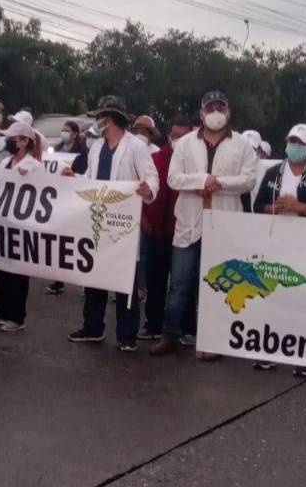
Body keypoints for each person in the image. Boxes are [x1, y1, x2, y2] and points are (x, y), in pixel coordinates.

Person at [151, 91, 257, 358]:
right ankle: (171, 335)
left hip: (223, 225)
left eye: (221, 107)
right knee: (179, 284)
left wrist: (218, 183)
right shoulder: (185, 143)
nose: (216, 111)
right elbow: (174, 179)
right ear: (201, 113)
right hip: (189, 223)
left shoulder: (242, 144)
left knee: (219, 286)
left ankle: (214, 341)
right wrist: (202, 180)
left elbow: (249, 180)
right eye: (210, 107)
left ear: (229, 112)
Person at [66, 95, 159, 352]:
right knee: (95, 275)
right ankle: (93, 327)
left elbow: (152, 178)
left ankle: (127, 334)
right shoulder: (96, 148)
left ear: (109, 119)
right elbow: (91, 178)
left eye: (100, 118)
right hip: (99, 219)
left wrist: (145, 189)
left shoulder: (135, 147)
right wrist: (73, 178)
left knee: (124, 280)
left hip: (124, 223)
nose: (97, 123)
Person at [252, 124, 306, 376]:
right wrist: (273, 209)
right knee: (274, 297)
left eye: (300, 143)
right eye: (291, 141)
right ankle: (268, 351)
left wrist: (301, 207)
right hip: (276, 243)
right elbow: (257, 206)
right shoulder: (273, 172)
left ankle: (302, 355)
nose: (294, 146)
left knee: (303, 299)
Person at [0, 121, 44, 332]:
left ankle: (17, 317)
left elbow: (43, 192)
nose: (9, 142)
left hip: (21, 226)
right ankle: (0, 311)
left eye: (13, 138)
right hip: (2, 224)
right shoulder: (6, 161)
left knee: (17, 273)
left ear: (25, 141)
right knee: (1, 270)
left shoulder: (34, 165)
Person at [138, 116, 193, 341]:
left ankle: (187, 329)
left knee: (184, 283)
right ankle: (153, 325)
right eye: (174, 135)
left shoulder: (196, 162)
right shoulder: (156, 158)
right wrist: (144, 219)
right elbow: (142, 187)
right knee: (155, 280)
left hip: (185, 229)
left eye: (182, 135)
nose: (176, 139)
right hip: (156, 229)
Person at [46, 121, 90, 295]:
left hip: (74, 198)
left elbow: (84, 174)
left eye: (68, 131)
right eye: (63, 130)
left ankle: (87, 281)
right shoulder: (56, 149)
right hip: (58, 198)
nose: (64, 133)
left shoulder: (82, 153)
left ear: (75, 134)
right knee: (59, 240)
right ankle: (59, 280)